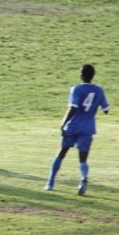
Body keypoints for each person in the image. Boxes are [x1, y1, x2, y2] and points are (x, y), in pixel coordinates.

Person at [44, 64, 109, 196]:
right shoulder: (99, 90)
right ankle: (83, 178)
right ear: (93, 75)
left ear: (82, 75)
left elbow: (73, 108)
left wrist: (63, 123)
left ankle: (50, 183)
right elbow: (106, 110)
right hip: (88, 128)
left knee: (61, 153)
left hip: (73, 126)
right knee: (83, 159)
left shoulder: (77, 89)